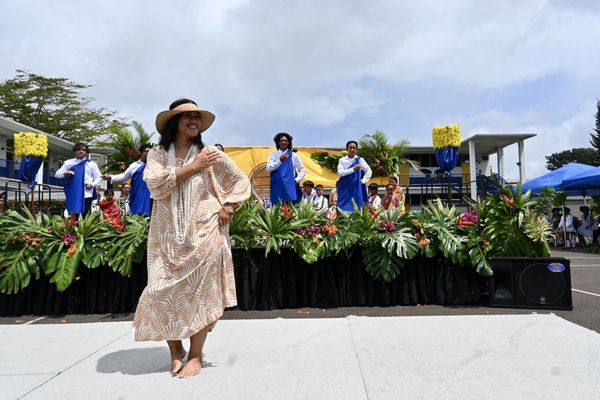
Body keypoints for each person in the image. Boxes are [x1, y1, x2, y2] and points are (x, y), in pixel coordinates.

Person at [131, 98, 251, 378]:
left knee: (200, 296)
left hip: (205, 233)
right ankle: (176, 351)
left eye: (197, 116)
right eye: (188, 116)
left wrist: (228, 206)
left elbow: (240, 181)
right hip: (165, 237)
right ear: (175, 122)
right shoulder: (158, 154)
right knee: (158, 292)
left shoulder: (210, 153)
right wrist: (194, 166)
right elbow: (156, 184)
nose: (194, 120)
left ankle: (195, 355)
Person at [103, 144, 153, 217]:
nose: (149, 153)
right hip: (136, 195)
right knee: (136, 217)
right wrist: (111, 177)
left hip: (150, 196)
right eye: (146, 151)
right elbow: (124, 176)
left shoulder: (155, 166)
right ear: (141, 152)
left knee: (150, 218)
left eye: (150, 152)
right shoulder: (134, 166)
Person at [55, 142, 102, 217]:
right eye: (79, 149)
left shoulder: (91, 164)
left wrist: (92, 184)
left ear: (86, 152)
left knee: (85, 216)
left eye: (83, 150)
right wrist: (65, 173)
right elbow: (57, 174)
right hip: (73, 193)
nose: (81, 151)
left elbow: (99, 177)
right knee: (74, 215)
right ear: (75, 151)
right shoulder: (69, 163)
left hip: (86, 193)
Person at [266, 132, 306, 205]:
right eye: (281, 141)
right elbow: (268, 169)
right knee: (277, 208)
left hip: (290, 187)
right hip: (277, 186)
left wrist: (295, 181)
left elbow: (303, 170)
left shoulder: (294, 155)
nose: (283, 142)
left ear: (288, 142)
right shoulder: (273, 155)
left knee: (290, 210)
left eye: (285, 141)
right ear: (278, 142)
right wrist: (279, 161)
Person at [336, 140, 372, 212]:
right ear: (347, 149)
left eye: (354, 148)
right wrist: (353, 169)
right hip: (345, 187)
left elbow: (369, 171)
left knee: (357, 206)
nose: (352, 149)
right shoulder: (342, 160)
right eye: (350, 148)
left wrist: (363, 181)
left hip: (356, 187)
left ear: (356, 149)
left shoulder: (360, 160)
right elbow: (340, 173)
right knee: (342, 206)